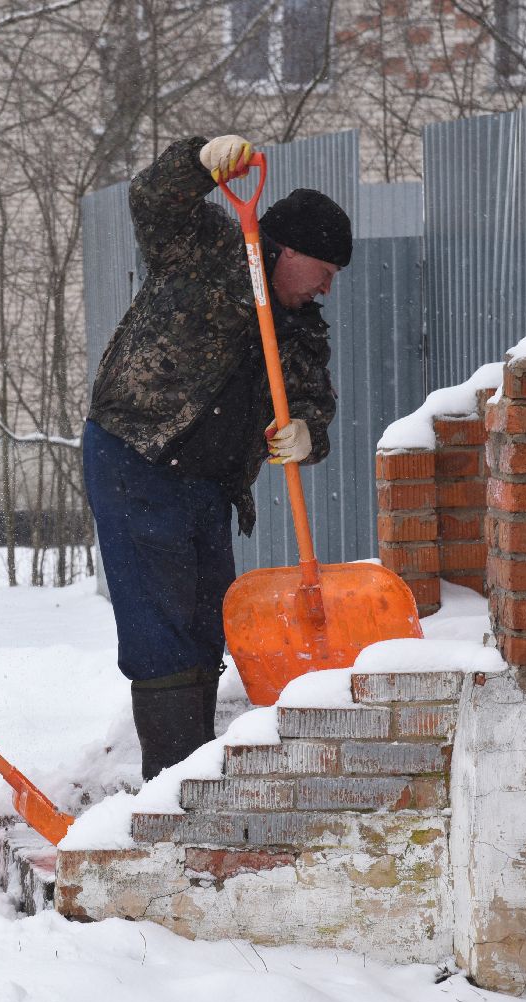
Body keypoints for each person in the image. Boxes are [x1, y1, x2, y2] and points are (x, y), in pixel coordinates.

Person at [82, 133, 346, 781]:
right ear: (290, 251)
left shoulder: (300, 327)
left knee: (206, 621)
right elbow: (154, 198)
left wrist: (307, 432)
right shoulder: (206, 247)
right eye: (325, 270)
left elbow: (314, 403)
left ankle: (194, 772)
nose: (327, 288)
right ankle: (172, 781)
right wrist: (199, 159)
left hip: (209, 484)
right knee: (161, 624)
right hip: (138, 454)